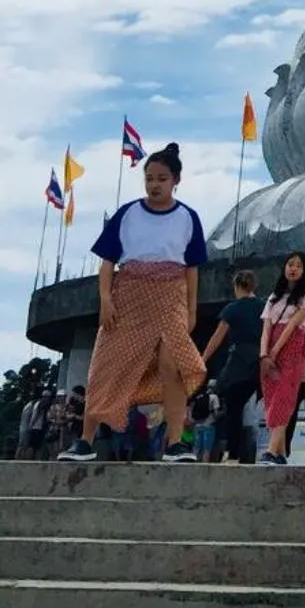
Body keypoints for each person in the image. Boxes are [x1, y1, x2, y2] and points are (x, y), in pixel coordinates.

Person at [61, 142, 207, 465]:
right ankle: (85, 441)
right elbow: (108, 262)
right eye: (150, 178)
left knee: (174, 367)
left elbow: (193, 269)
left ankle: (174, 443)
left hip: (170, 298)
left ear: (176, 181)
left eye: (162, 179)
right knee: (104, 365)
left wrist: (191, 310)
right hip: (128, 296)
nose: (155, 185)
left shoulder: (188, 217)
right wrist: (105, 299)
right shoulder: (128, 213)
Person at [258, 253, 305, 466]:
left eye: (299, 266)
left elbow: (293, 324)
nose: (293, 268)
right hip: (271, 346)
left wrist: (274, 351)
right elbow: (266, 326)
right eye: (290, 264)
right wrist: (264, 354)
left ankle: (271, 450)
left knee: (284, 397)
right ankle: (281, 452)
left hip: (292, 347)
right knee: (271, 396)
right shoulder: (275, 296)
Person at [200, 269, 264, 463]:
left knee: (233, 408)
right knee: (251, 412)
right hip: (260, 361)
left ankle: (233, 453)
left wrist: (203, 359)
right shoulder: (264, 307)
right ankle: (251, 453)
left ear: (237, 287)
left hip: (239, 362)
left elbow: (217, 337)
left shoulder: (233, 308)